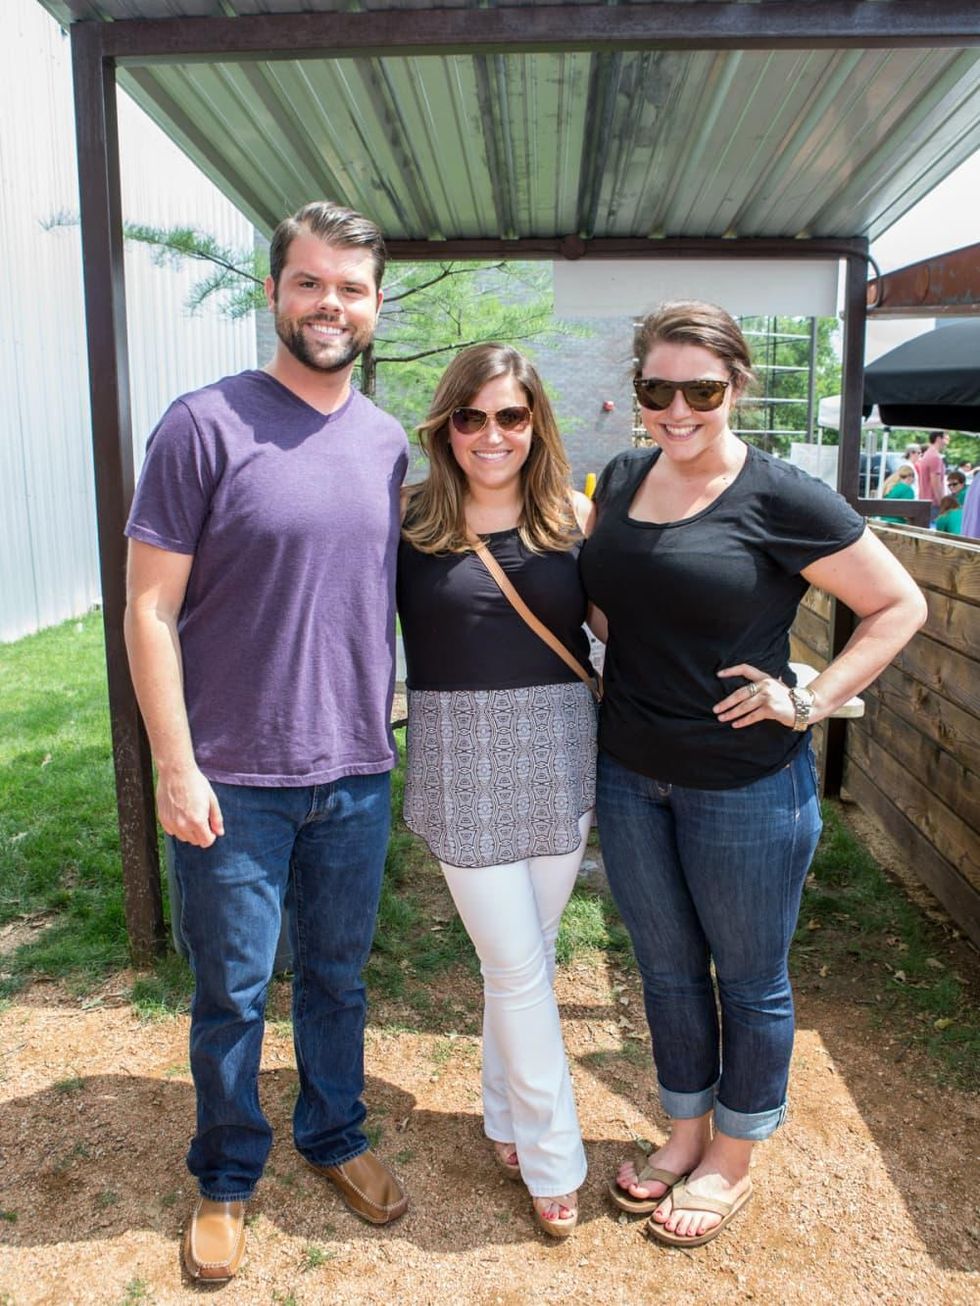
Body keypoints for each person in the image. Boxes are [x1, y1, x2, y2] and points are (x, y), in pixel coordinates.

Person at [581, 302, 926, 1248]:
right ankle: (684, 1129)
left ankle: (732, 1153)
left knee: (748, 979)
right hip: (630, 770)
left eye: (702, 389)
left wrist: (807, 698)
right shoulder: (620, 475)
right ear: (639, 393)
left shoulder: (782, 496)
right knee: (664, 971)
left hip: (745, 784)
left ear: (737, 387)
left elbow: (898, 604)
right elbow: (619, 606)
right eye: (659, 389)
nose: (678, 408)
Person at [124, 202, 410, 1282]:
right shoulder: (203, 424)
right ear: (274, 292)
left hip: (354, 769)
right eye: (309, 282)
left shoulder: (385, 444)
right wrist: (174, 762)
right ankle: (228, 1169)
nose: (329, 303)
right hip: (231, 775)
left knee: (337, 977)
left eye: (350, 287)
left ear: (375, 306)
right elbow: (148, 610)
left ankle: (333, 1132)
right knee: (234, 990)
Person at [398, 344, 597, 1238]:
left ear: (535, 424)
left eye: (510, 416)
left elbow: (626, 628)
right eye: (471, 416)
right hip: (461, 758)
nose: (491, 434)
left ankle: (505, 1115)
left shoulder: (574, 520)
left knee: (528, 955)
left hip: (560, 749)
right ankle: (556, 1154)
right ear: (446, 426)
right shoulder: (405, 523)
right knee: (517, 967)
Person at [916, 430, 949, 521]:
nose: (947, 442)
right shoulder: (935, 457)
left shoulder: (927, 454)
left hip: (925, 501)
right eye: (945, 439)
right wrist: (943, 504)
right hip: (934, 504)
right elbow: (936, 483)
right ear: (938, 439)